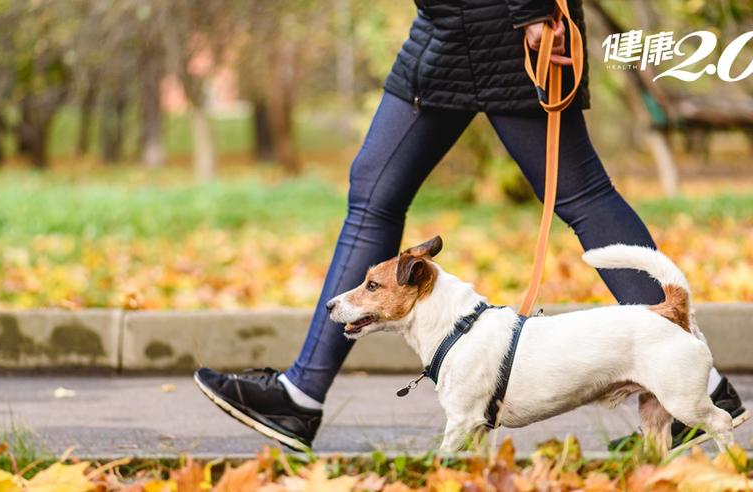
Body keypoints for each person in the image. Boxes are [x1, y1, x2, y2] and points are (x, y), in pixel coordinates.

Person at [194, 0, 747, 451]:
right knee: (374, 192)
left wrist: (533, 9)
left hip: (502, 23)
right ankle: (302, 394)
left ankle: (692, 382)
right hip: (450, 25)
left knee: (579, 193)